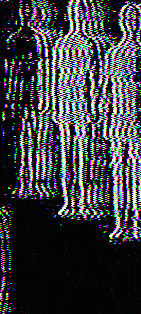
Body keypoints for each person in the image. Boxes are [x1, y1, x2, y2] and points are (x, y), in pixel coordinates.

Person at [99, 2, 141, 242]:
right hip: (136, 121)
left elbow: (105, 89)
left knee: (122, 173)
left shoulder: (115, 51)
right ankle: (140, 224)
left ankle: (124, 223)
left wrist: (106, 117)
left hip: (119, 120)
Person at [52, 0, 106, 219]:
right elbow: (94, 79)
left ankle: (80, 202)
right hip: (77, 106)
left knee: (79, 156)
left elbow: (96, 79)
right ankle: (78, 202)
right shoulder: (86, 43)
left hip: (75, 106)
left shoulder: (67, 43)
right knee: (81, 155)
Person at [4, 1, 59, 199]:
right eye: (25, 10)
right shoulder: (18, 39)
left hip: (40, 98)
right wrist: (12, 99)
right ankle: (25, 183)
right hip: (24, 99)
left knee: (41, 142)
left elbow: (47, 70)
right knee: (24, 141)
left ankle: (40, 183)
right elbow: (11, 72)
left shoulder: (44, 39)